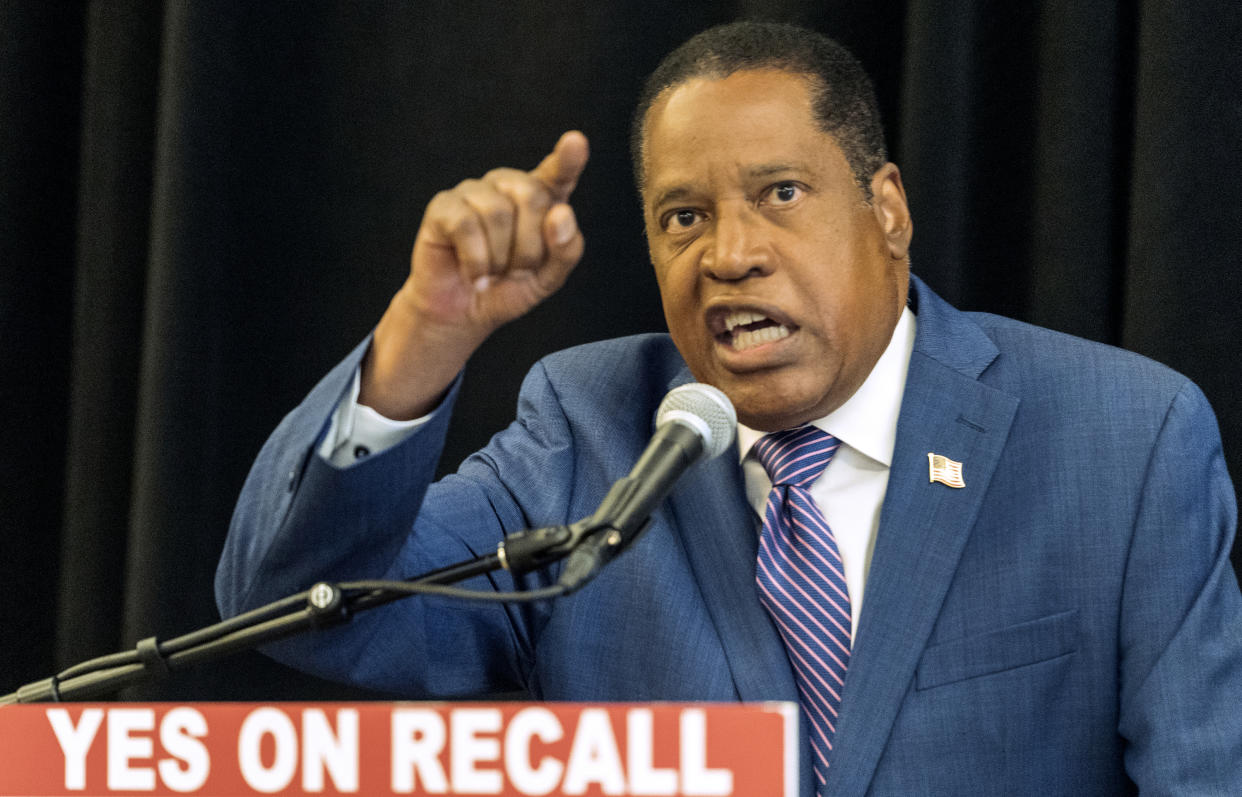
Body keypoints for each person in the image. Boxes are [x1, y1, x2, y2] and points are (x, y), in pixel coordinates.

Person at [216, 21, 1242, 795]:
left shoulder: (1125, 439)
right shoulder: (590, 429)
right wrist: (425, 331)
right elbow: (303, 603)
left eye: (781, 194)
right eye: (683, 216)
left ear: (887, 209)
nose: (730, 252)